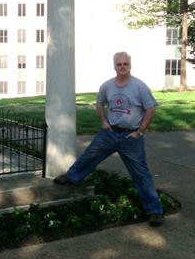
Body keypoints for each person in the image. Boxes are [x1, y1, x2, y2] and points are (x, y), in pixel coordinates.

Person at [54, 51, 164, 227]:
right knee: (90, 154)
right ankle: (73, 177)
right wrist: (103, 121)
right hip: (110, 133)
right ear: (114, 66)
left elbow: (150, 109)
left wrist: (140, 131)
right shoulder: (107, 86)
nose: (122, 67)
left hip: (131, 137)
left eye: (125, 64)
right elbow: (99, 103)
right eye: (119, 64)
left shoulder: (139, 86)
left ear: (130, 65)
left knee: (141, 174)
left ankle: (155, 211)